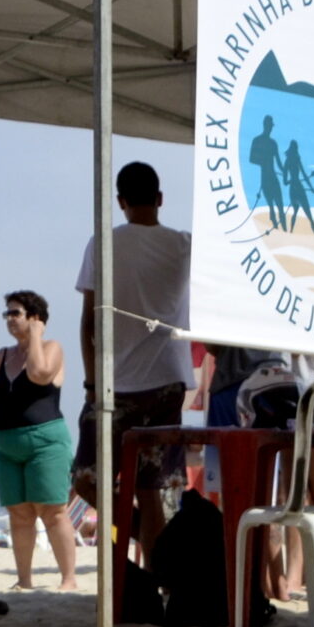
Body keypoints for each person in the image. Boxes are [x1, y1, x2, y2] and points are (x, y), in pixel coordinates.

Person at [76, 160, 194, 560]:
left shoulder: (104, 243)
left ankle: (139, 534)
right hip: (168, 380)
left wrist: (91, 383)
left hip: (115, 381)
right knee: (151, 484)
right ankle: (155, 555)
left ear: (121, 201)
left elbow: (88, 321)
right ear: (160, 199)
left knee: (87, 479)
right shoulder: (183, 244)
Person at [0, 289, 76, 590]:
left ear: (35, 318)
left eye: (16, 313)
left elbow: (40, 373)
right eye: (7, 314)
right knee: (19, 513)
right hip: (7, 445)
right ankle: (24, 579)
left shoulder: (51, 347)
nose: (9, 319)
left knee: (53, 511)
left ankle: (68, 578)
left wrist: (36, 337)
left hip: (46, 442)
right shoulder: (1, 356)